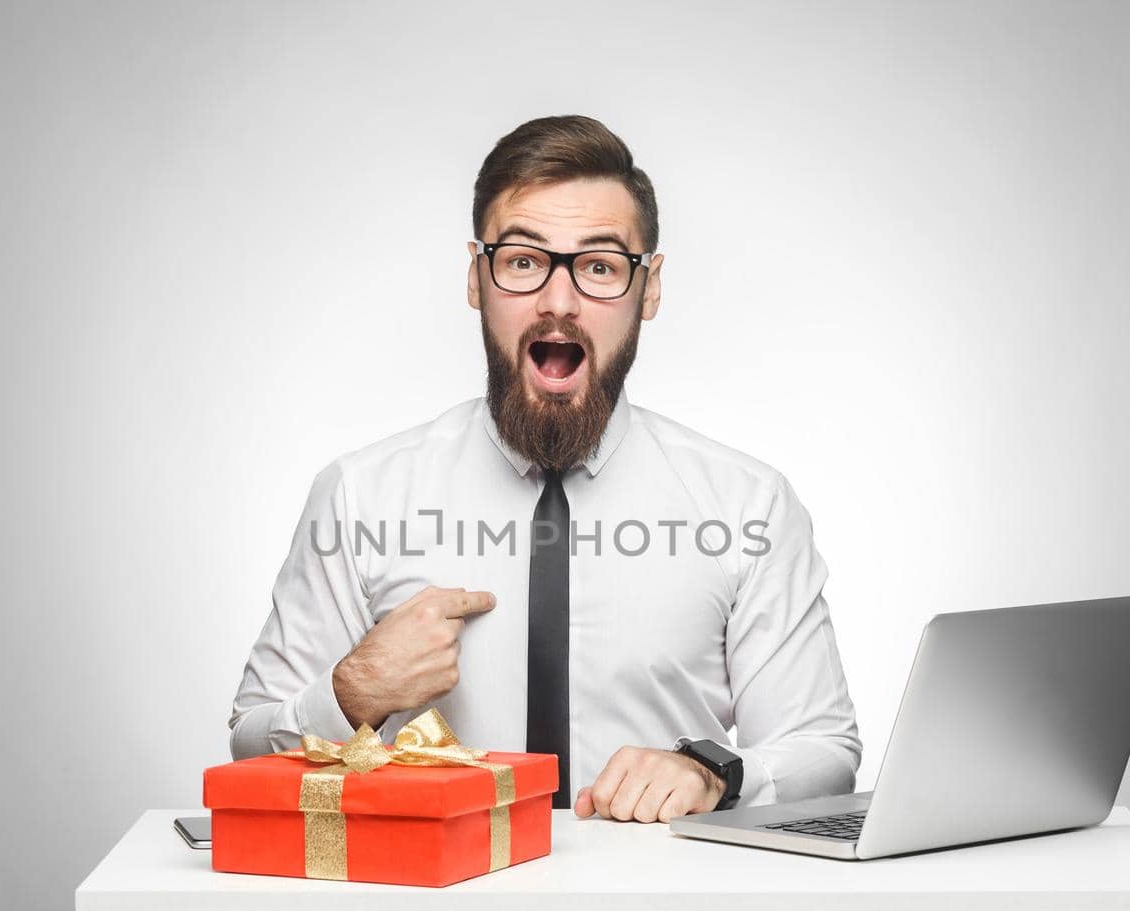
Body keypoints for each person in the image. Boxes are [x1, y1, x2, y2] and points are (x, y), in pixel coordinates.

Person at [229, 114, 860, 823]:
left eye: (599, 267)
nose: (558, 302)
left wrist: (711, 770)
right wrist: (353, 693)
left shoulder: (749, 506)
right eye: (524, 261)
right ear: (477, 277)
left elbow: (823, 747)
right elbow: (250, 754)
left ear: (648, 290)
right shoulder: (360, 496)